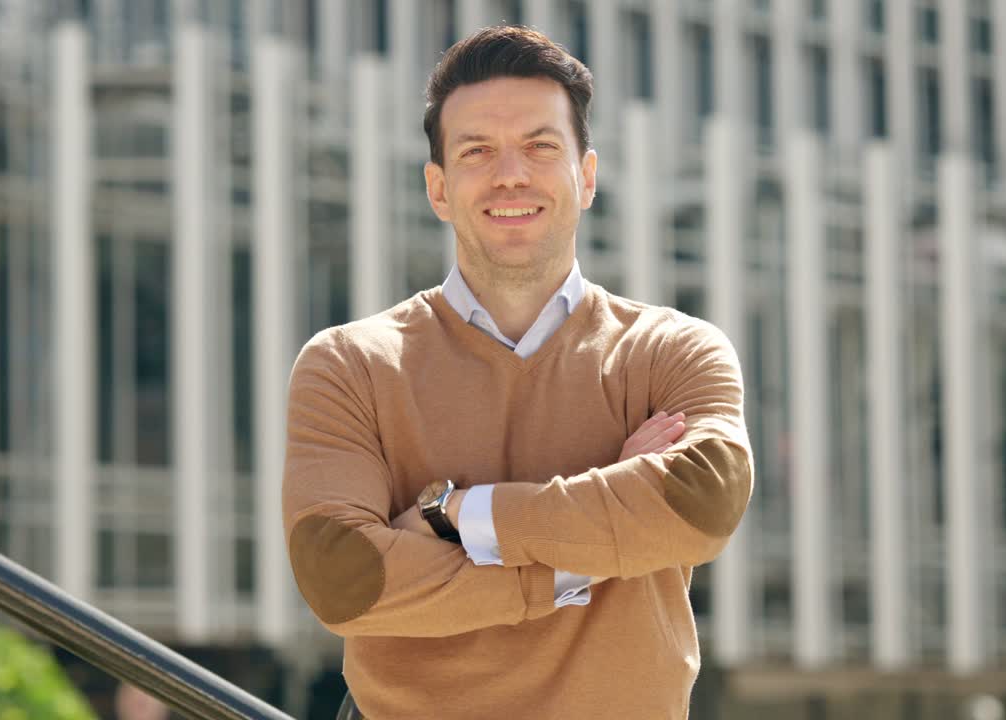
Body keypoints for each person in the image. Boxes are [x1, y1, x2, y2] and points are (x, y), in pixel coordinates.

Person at [282, 25, 753, 719]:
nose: (511, 174)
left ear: (585, 177)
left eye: (541, 145)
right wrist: (585, 558)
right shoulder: (348, 364)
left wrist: (455, 517)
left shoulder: (673, 349)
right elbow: (344, 576)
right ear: (438, 189)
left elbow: (701, 502)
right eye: (477, 151)